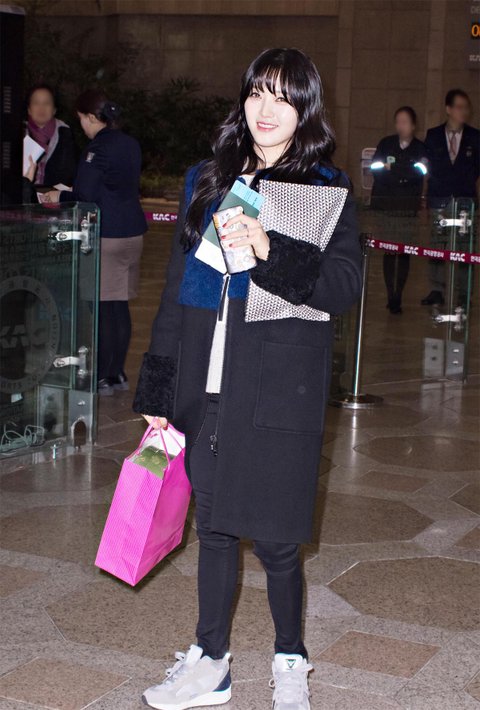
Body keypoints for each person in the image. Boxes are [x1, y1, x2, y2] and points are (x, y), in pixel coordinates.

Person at [133, 48, 362, 710]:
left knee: (279, 540)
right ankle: (211, 662)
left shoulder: (324, 188)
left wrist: (269, 248)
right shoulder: (207, 179)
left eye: (283, 97)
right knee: (214, 528)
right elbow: (177, 290)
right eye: (258, 93)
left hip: (278, 385)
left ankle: (290, 658)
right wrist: (159, 391)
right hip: (206, 384)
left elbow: (343, 286)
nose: (267, 109)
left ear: (305, 110)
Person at [43, 90, 147, 395]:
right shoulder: (130, 143)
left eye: (81, 120)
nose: (82, 127)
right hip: (133, 233)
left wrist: (58, 194)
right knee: (119, 306)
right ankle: (117, 374)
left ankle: (101, 376)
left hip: (108, 236)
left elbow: (85, 194)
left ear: (91, 117)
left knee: (100, 308)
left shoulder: (97, 148)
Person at [421, 89, 480, 306]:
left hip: (466, 200)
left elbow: (477, 168)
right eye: (459, 107)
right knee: (437, 245)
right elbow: (428, 167)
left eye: (466, 107)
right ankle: (437, 289)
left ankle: (464, 293)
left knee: (465, 247)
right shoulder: (433, 135)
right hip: (439, 197)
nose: (463, 111)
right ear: (448, 109)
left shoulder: (475, 137)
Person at [370, 106, 427, 313]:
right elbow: (376, 168)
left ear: (413, 125)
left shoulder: (420, 148)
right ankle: (390, 295)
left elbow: (420, 172)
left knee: (404, 253)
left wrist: (393, 168)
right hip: (387, 206)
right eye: (398, 121)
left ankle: (398, 296)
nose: (400, 126)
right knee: (389, 251)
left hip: (407, 208)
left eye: (405, 122)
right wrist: (403, 171)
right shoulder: (386, 144)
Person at [23, 84, 76, 200]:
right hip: (23, 196)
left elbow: (69, 173)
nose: (41, 108)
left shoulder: (64, 133)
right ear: (29, 109)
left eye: (46, 103)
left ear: (54, 110)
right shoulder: (19, 132)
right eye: (36, 103)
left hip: (53, 199)